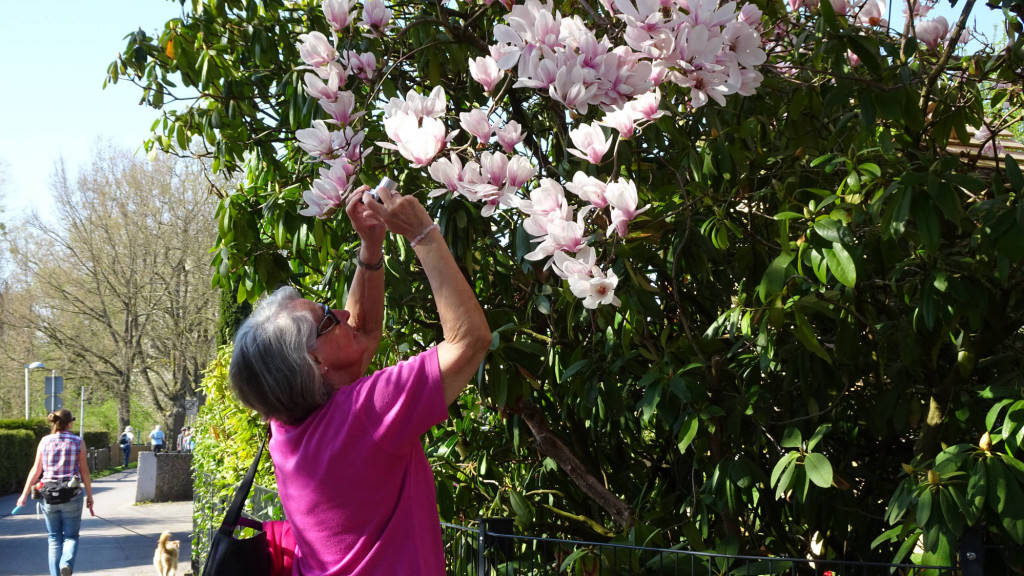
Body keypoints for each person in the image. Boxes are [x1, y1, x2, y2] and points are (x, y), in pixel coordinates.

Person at [230, 183, 490, 576]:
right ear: (315, 364)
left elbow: (362, 336)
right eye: (329, 319)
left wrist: (371, 249)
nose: (344, 314)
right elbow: (470, 341)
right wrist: (422, 232)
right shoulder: (367, 411)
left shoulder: (284, 422)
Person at [16, 409, 95, 576]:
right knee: (71, 537)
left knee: (53, 538)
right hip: (71, 495)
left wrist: (23, 495)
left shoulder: (44, 441)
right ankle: (66, 563)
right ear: (69, 423)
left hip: (49, 496)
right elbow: (84, 471)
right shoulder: (77, 441)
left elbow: (36, 470)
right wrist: (89, 496)